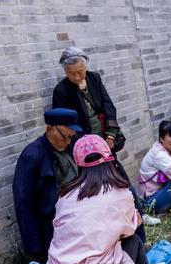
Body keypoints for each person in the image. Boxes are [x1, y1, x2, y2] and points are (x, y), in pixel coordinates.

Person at [46, 134, 171, 264]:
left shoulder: (66, 194)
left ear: (79, 165)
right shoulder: (119, 193)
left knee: (111, 248)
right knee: (134, 242)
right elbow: (129, 229)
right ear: (110, 159)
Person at [51, 46, 159, 230]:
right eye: (71, 73)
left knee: (119, 178)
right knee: (93, 186)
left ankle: (138, 214)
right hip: (84, 150)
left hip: (105, 144)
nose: (77, 77)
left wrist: (110, 136)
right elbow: (65, 124)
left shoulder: (94, 78)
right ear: (65, 71)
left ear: (85, 67)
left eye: (80, 72)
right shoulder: (61, 90)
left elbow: (108, 106)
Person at [12, 108, 82, 264]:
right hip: (51, 228)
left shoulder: (68, 147)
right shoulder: (32, 155)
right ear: (49, 129)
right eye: (65, 137)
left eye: (72, 137)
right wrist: (35, 247)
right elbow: (23, 203)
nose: (68, 142)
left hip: (75, 218)